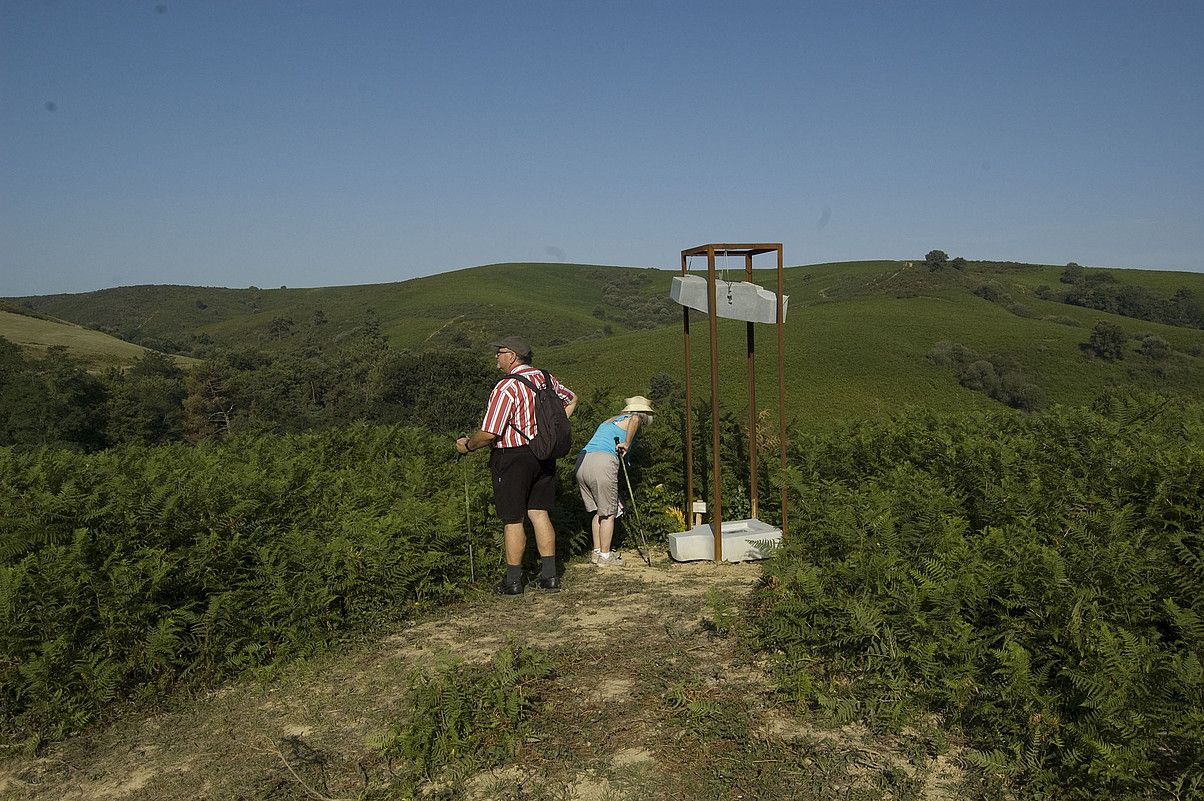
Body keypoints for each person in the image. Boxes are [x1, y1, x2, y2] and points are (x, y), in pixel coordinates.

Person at [456, 336, 577, 595]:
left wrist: (467, 445)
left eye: (499, 352)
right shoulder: (546, 379)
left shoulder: (506, 387)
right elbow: (571, 399)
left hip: (512, 456)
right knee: (539, 512)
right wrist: (550, 431)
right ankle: (550, 576)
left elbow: (490, 432)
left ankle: (513, 581)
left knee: (513, 518)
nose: (496, 357)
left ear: (512, 356)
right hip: (543, 453)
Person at [574, 396, 654, 566]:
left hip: (583, 461)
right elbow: (635, 419)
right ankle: (605, 556)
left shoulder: (611, 420)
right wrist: (627, 442)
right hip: (602, 461)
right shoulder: (635, 419)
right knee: (609, 512)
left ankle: (597, 552)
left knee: (599, 510)